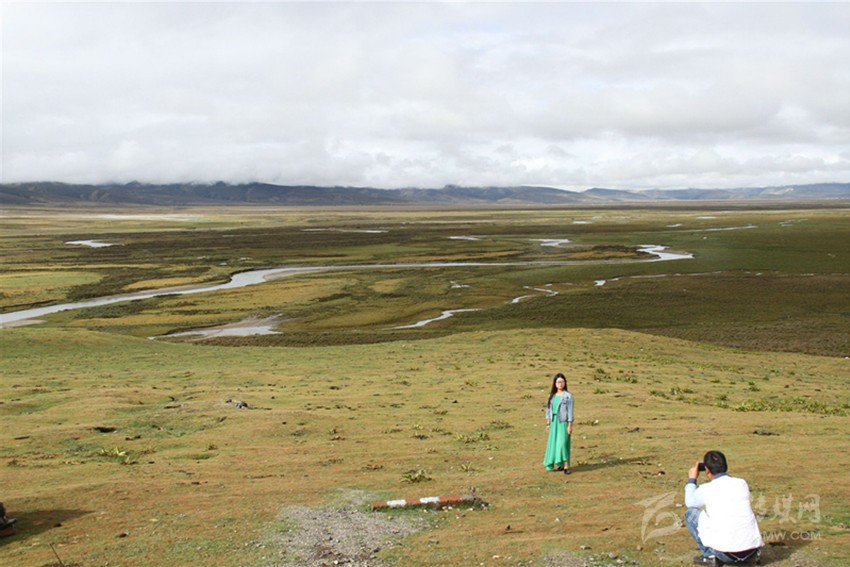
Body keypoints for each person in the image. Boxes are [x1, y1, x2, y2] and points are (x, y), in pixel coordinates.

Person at [684, 450, 763, 565]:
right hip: (752, 552)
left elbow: (690, 502)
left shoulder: (707, 489)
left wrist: (692, 479)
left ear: (707, 470)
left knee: (691, 514)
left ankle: (710, 556)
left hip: (726, 554)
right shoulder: (741, 483)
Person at [544, 372, 574, 474]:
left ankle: (566, 466)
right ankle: (560, 464)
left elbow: (570, 412)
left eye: (562, 382)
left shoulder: (568, 396)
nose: (561, 384)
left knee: (562, 444)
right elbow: (548, 410)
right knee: (554, 444)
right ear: (555, 384)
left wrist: (569, 425)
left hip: (563, 422)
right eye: (558, 382)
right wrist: (548, 423)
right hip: (554, 422)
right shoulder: (551, 396)